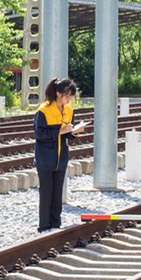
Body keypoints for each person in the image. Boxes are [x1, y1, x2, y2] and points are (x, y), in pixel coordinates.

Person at [34, 77, 87, 231]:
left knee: (57, 193)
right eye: (67, 95)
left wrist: (75, 132)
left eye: (71, 96)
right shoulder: (43, 110)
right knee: (46, 193)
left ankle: (56, 224)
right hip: (45, 158)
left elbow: (68, 135)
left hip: (60, 158)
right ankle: (44, 226)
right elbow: (40, 134)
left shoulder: (69, 111)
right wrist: (60, 131)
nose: (69, 99)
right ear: (58, 93)